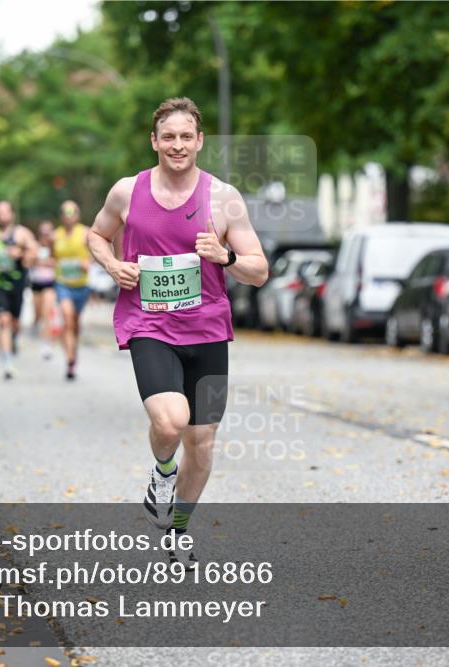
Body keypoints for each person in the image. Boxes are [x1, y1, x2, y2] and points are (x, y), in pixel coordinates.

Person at [87, 97, 267, 568]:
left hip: (206, 328)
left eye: (186, 136)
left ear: (200, 141)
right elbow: (96, 234)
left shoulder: (224, 198)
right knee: (170, 421)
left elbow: (259, 269)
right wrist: (111, 264)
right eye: (168, 136)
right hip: (149, 323)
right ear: (154, 141)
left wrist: (225, 257)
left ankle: (178, 529)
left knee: (202, 442)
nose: (177, 145)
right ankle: (162, 474)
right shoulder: (127, 192)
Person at [0, 200, 37, 380]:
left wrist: (21, 254)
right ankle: (7, 363)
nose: (1, 216)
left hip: (18, 285)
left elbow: (34, 254)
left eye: (5, 212)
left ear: (12, 214)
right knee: (3, 321)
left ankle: (14, 338)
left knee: (14, 323)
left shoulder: (22, 234)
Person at [54, 201, 91, 379]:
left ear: (77, 215)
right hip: (63, 284)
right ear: (61, 216)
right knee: (67, 319)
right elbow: (50, 256)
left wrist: (88, 261)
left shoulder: (86, 233)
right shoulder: (56, 236)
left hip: (82, 286)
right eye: (65, 213)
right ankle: (69, 359)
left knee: (75, 324)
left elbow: (100, 250)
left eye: (72, 213)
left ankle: (73, 354)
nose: (69, 217)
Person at [29, 220, 58, 360]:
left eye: (48, 232)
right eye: (43, 232)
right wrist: (35, 259)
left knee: (47, 314)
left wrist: (49, 262)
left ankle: (47, 344)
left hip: (50, 283)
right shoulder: (35, 246)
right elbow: (28, 260)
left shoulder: (55, 247)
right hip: (36, 283)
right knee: (38, 314)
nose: (45, 235)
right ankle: (35, 325)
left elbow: (58, 262)